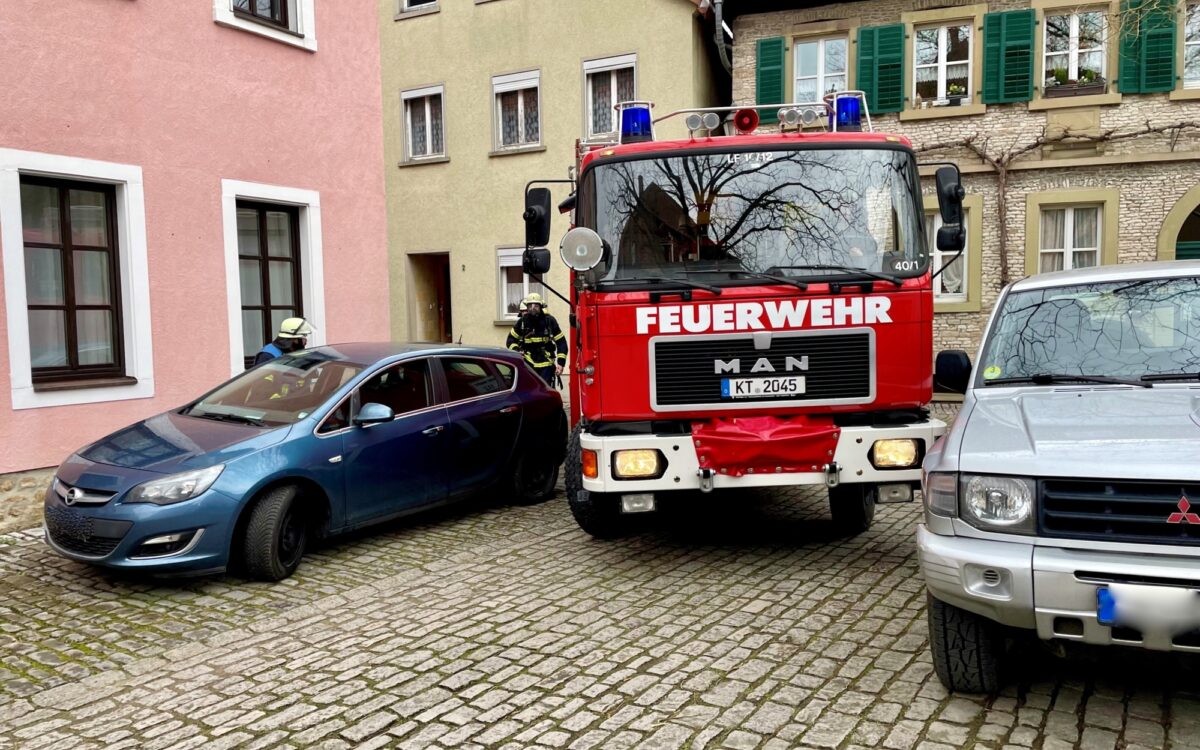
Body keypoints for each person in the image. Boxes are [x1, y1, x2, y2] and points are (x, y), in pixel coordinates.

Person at [506, 293, 567, 387]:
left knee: (545, 391)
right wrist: (517, 350)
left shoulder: (549, 321)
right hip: (528, 363)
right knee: (529, 391)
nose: (532, 309)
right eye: (530, 306)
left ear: (541, 306)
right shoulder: (522, 322)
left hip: (546, 364)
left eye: (536, 306)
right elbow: (510, 340)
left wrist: (561, 363)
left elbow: (561, 342)